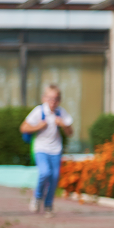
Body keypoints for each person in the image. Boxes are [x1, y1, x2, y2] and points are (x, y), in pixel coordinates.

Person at [20, 84, 73, 217]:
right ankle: (37, 197)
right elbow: (24, 127)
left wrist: (63, 125)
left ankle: (48, 205)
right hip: (41, 148)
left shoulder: (61, 113)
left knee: (54, 178)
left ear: (59, 100)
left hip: (56, 150)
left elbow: (70, 132)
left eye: (55, 99)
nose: (53, 102)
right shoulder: (39, 111)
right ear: (44, 98)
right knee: (45, 172)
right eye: (50, 99)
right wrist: (38, 126)